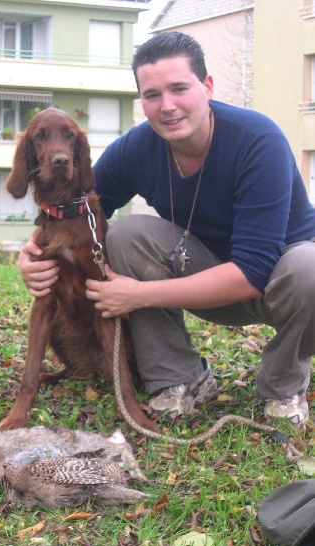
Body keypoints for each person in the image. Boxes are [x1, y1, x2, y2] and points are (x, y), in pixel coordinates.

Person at [18, 32, 315, 427]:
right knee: (125, 234)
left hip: (281, 282)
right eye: (152, 94)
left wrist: (138, 295)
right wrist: (30, 252)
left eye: (179, 89)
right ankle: (180, 379)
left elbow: (254, 271)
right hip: (201, 270)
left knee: (310, 267)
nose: (167, 106)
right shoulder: (139, 147)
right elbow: (75, 202)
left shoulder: (258, 140)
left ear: (207, 87)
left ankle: (283, 386)